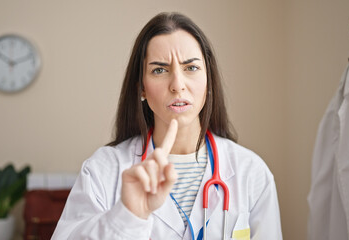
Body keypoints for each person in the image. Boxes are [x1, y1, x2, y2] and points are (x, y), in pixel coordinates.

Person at [52, 12, 282, 240]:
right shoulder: (102, 171)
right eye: (159, 70)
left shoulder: (251, 172)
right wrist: (128, 216)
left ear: (209, 80)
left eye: (191, 68)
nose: (177, 85)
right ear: (141, 87)